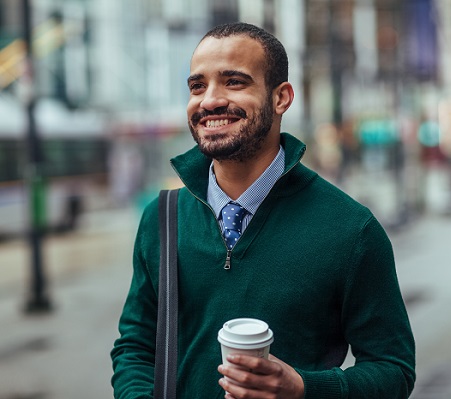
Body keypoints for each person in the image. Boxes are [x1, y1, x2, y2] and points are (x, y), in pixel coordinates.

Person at [111, 22, 416, 399]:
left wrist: (305, 389)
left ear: (281, 98)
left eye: (234, 82)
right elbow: (136, 348)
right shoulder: (162, 218)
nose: (209, 101)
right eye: (197, 86)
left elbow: (394, 371)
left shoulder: (351, 230)